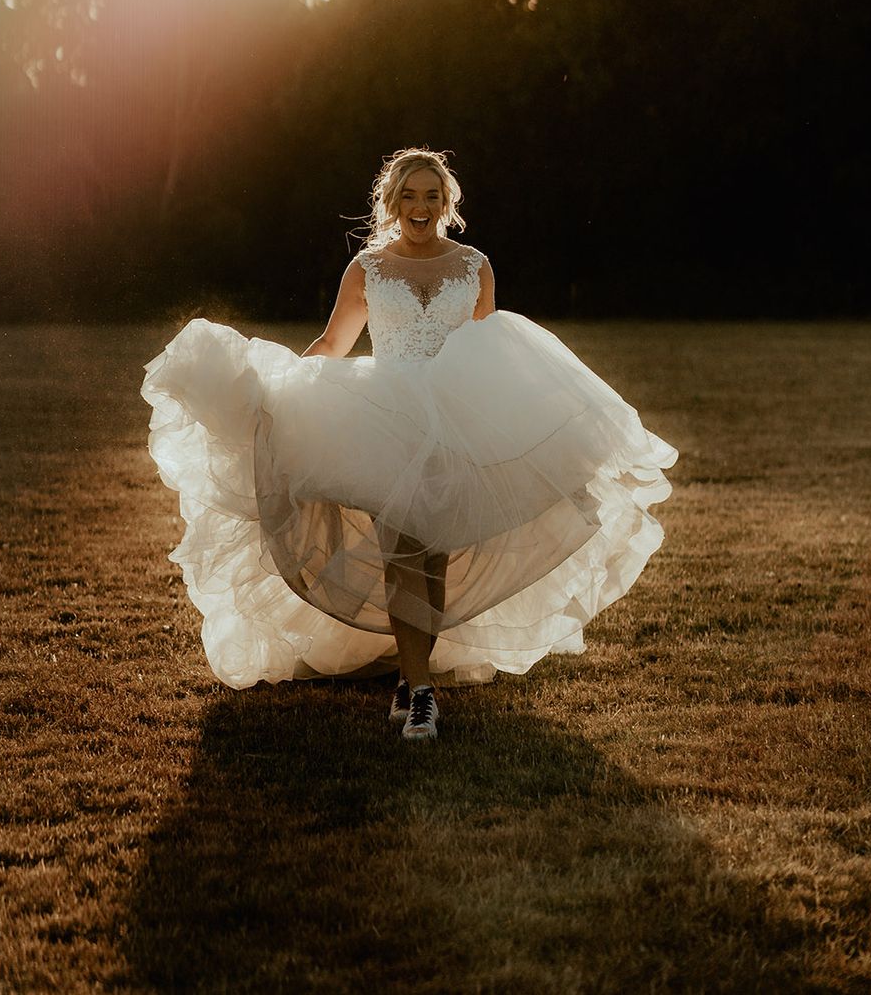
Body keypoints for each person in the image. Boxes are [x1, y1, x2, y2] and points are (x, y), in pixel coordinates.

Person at [141, 147, 677, 741]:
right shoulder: (368, 268)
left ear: (446, 204)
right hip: (386, 419)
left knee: (436, 550)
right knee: (403, 548)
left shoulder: (475, 265)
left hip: (454, 418)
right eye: (409, 196)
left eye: (431, 196)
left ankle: (411, 675)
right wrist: (284, 388)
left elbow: (488, 350)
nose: (419, 207)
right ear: (392, 204)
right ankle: (420, 690)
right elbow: (334, 340)